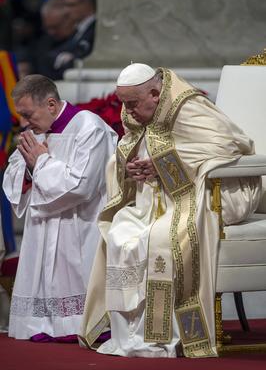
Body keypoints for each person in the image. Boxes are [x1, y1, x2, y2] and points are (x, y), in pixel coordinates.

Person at [79, 63, 261, 358]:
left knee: (160, 238)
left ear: (155, 93)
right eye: (124, 104)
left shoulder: (189, 108)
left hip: (214, 191)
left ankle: (162, 337)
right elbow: (130, 145)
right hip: (160, 195)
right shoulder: (137, 108)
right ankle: (131, 335)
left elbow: (230, 146)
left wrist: (163, 164)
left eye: (133, 104)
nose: (128, 112)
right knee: (120, 233)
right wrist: (133, 168)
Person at [3, 74, 117, 340]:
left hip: (79, 221)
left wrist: (40, 163)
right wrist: (31, 170)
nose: (23, 122)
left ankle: (80, 325)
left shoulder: (89, 127)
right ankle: (46, 324)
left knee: (74, 270)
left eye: (28, 114)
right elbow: (15, 173)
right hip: (45, 224)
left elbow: (82, 186)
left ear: (51, 104)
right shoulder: (35, 132)